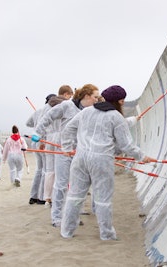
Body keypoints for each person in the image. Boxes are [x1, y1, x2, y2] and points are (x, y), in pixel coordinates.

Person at [60, 85, 156, 240]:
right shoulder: (115, 117)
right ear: (120, 101)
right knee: (103, 198)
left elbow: (68, 129)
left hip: (80, 158)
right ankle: (106, 234)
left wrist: (67, 147)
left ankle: (67, 231)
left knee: (75, 196)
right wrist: (142, 157)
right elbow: (126, 145)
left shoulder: (86, 111)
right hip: (102, 160)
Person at [34, 84, 100, 227]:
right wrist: (37, 133)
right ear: (87, 96)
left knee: (77, 186)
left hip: (80, 151)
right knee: (61, 184)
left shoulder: (91, 111)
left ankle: (72, 216)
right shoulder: (67, 106)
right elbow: (48, 117)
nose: (97, 100)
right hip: (64, 150)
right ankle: (57, 217)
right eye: (95, 97)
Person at [34, 85, 74, 207]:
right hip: (60, 138)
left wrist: (41, 140)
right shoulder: (66, 105)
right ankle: (59, 198)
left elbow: (42, 123)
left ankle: (47, 198)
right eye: (70, 96)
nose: (71, 98)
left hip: (48, 139)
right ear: (66, 94)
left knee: (49, 170)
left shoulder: (47, 107)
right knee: (61, 171)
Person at [25, 94, 56, 205]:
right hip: (43, 141)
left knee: (39, 169)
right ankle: (42, 197)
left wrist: (35, 124)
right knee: (46, 169)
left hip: (35, 141)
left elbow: (28, 123)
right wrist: (42, 139)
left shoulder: (38, 111)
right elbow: (45, 127)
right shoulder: (50, 110)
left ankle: (34, 196)